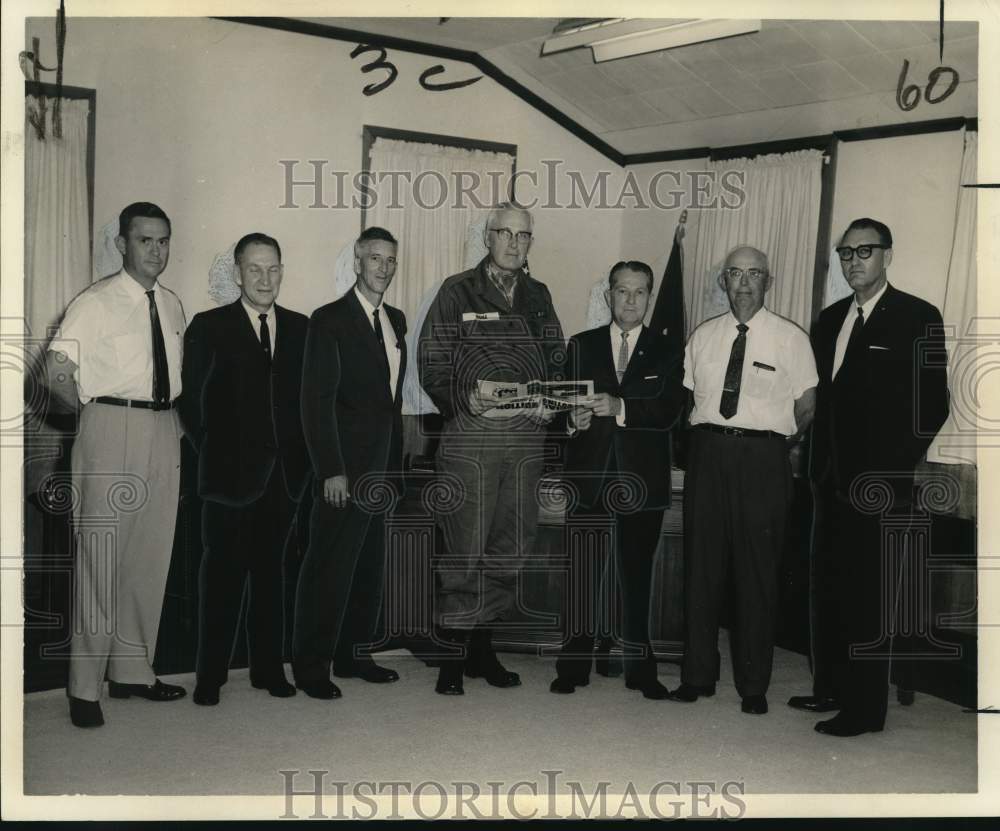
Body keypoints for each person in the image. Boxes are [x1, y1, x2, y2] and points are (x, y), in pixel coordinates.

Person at [791, 218, 949, 736]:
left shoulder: (917, 316)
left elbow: (933, 404)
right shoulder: (830, 318)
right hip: (827, 480)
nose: (853, 260)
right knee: (830, 590)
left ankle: (865, 711)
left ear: (887, 256)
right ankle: (831, 688)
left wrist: (892, 466)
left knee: (868, 597)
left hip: (879, 487)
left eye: (864, 251)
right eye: (845, 253)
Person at [45, 202, 187, 727]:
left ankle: (131, 671)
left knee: (150, 556)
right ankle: (84, 688)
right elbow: (56, 372)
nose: (156, 251)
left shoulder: (172, 305)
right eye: (146, 240)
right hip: (109, 426)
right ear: (122, 243)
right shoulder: (96, 302)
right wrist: (87, 421)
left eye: (164, 241)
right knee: (99, 561)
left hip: (162, 428)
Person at [418, 202, 565, 695]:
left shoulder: (539, 295)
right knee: (465, 548)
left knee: (509, 545)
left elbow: (556, 360)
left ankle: (484, 649)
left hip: (524, 438)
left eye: (524, 236)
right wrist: (466, 398)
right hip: (471, 436)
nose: (514, 244)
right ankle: (453, 659)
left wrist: (552, 401)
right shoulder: (456, 291)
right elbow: (432, 363)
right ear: (488, 236)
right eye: (506, 233)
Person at [670, 245, 817, 715]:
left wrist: (778, 447)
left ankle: (753, 685)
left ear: (768, 282)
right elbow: (688, 397)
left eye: (754, 274)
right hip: (708, 454)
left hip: (764, 459)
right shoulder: (704, 336)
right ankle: (697, 676)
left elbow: (807, 404)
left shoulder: (791, 339)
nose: (744, 282)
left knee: (757, 572)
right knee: (702, 567)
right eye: (735, 274)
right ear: (723, 283)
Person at [180, 232, 310, 706]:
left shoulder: (300, 328)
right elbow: (191, 404)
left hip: (283, 480)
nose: (265, 278)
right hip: (227, 482)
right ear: (237, 273)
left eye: (273, 268)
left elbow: (304, 406)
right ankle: (210, 676)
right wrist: (218, 455)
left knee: (272, 579)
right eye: (254, 269)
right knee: (221, 581)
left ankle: (268, 671)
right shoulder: (209, 326)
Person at [549, 261, 685, 699]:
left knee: (637, 578)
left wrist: (620, 406)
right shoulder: (580, 345)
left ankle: (641, 671)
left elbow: (669, 413)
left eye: (639, 292)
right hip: (589, 478)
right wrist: (570, 419)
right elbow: (554, 416)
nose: (630, 300)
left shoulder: (669, 350)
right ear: (608, 295)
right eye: (622, 291)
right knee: (583, 575)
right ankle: (573, 666)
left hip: (641, 483)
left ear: (649, 296)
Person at [292, 226, 406, 699]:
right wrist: (330, 469)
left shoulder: (397, 319)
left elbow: (391, 400)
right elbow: (315, 403)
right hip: (344, 470)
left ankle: (355, 654)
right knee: (328, 569)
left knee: (367, 566)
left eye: (390, 260)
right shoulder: (330, 319)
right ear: (357, 262)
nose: (384, 268)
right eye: (375, 259)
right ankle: (311, 666)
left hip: (382, 469)